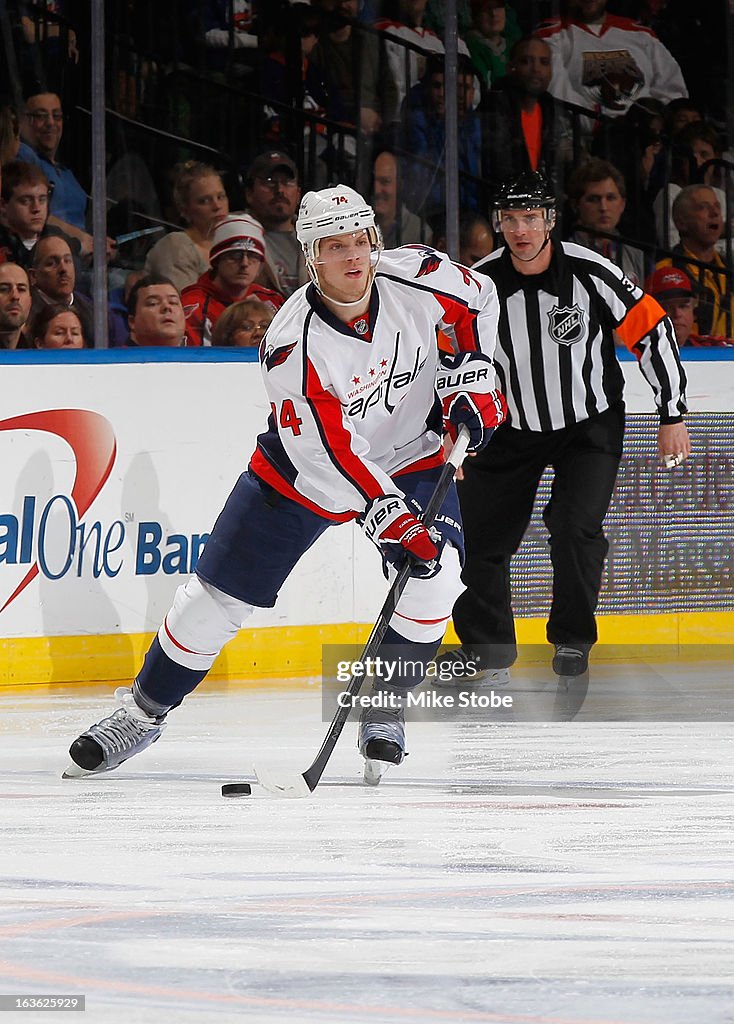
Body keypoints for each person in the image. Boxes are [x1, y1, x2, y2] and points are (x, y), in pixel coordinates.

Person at [64, 184, 506, 782]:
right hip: (306, 474)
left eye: (361, 240)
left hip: (412, 454)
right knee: (212, 602)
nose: (353, 256)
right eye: (334, 245)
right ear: (310, 257)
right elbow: (325, 451)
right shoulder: (291, 343)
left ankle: (385, 704)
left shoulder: (421, 274)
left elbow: (481, 301)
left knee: (435, 579)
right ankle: (142, 713)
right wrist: (389, 513)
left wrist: (472, 374)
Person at [436, 171, 688, 683]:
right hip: (509, 428)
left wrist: (672, 412)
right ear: (499, 224)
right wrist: (449, 426)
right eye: (510, 219)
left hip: (588, 425)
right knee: (481, 540)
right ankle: (487, 651)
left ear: (549, 220)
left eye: (531, 217)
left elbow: (652, 326)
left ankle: (573, 640)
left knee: (574, 528)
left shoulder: (589, 271)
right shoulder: (480, 286)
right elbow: (450, 355)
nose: (521, 230)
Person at [535, 0, 688, 121]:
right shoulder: (550, 34)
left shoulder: (641, 33)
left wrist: (654, 125)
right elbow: (556, 90)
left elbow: (672, 91)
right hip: (583, 139)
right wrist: (596, 123)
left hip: (648, 140)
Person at [18, 91, 114, 259]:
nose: (50, 123)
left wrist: (100, 243)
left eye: (57, 116)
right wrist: (84, 239)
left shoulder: (67, 173)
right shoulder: (24, 156)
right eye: (41, 116)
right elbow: (32, 215)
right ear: (24, 121)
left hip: (81, 260)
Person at [656, 185, 734, 339]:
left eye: (717, 207)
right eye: (703, 208)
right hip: (693, 358)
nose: (715, 213)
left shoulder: (728, 268)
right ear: (681, 222)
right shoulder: (666, 271)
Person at [145, 161, 230, 292]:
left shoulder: (235, 239)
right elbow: (188, 306)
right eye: (204, 201)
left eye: (221, 197)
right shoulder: (175, 246)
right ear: (184, 209)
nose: (217, 206)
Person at [566, 157, 647, 285]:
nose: (603, 207)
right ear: (575, 205)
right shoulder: (564, 254)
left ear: (622, 204)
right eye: (593, 199)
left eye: (610, 198)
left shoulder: (637, 257)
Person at [244, 150, 305, 297]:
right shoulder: (236, 235)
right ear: (249, 194)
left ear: (298, 194)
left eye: (287, 182)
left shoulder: (316, 237)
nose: (280, 190)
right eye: (269, 182)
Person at [645, 266, 733, 348]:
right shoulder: (634, 355)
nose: (677, 314)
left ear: (694, 312)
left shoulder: (712, 348)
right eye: (665, 308)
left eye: (683, 306)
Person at [372, 149, 432, 248]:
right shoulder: (360, 226)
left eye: (385, 182)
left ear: (400, 185)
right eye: (374, 182)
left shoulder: (419, 232)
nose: (377, 190)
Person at [0, 160, 54, 268]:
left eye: (42, 200)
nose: (36, 208)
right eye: (26, 201)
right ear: (3, 205)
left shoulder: (57, 240)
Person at [126, 275, 189, 347]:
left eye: (173, 302)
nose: (167, 307)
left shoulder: (199, 355)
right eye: (153, 303)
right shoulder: (117, 357)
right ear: (132, 321)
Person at [0, 262, 32, 349]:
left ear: (30, 302)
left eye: (21, 289)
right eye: (4, 289)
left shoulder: (38, 355)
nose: (15, 296)